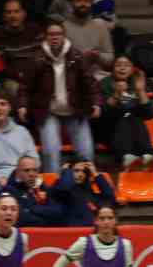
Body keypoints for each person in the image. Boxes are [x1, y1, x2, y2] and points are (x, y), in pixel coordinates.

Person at [17, 20, 99, 174]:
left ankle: (86, 186)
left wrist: (96, 103)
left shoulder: (76, 56)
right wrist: (22, 105)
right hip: (48, 111)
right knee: (50, 152)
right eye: (51, 34)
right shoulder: (36, 58)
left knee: (86, 153)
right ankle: (52, 189)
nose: (54, 37)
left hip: (75, 110)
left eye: (58, 34)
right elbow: (25, 86)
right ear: (45, 37)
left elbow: (90, 82)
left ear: (64, 36)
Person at [98, 54, 153, 170]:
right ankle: (128, 157)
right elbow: (103, 114)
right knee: (125, 116)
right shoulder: (104, 83)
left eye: (126, 65)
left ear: (132, 69)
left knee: (135, 118)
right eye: (118, 65)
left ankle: (147, 156)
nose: (122, 68)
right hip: (108, 128)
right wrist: (116, 95)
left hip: (131, 128)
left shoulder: (136, 82)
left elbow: (149, 114)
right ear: (112, 68)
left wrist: (140, 91)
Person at [0, 0, 44, 102]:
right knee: (15, 89)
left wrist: (31, 75)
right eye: (9, 12)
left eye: (16, 11)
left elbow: (41, 57)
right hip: (13, 80)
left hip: (34, 76)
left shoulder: (35, 30)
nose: (13, 16)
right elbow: (1, 66)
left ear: (23, 14)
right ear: (4, 16)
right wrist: (20, 76)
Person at [63, 0, 114, 73]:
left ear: (91, 3)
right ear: (72, 3)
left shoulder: (100, 25)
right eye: (78, 1)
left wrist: (97, 56)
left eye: (86, 1)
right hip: (72, 74)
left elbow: (110, 58)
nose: (83, 4)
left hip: (96, 74)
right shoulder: (64, 27)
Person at [50, 158, 113, 226]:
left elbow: (109, 196)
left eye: (84, 171)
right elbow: (65, 187)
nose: (80, 174)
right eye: (76, 171)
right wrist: (66, 170)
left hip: (94, 231)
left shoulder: (89, 193)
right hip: (73, 231)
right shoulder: (60, 189)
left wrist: (95, 173)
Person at [7, 155, 63, 226]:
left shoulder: (42, 187)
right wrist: (46, 219)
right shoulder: (10, 190)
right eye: (26, 170)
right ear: (18, 172)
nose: (31, 174)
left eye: (35, 170)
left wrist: (30, 209)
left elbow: (58, 211)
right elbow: (20, 218)